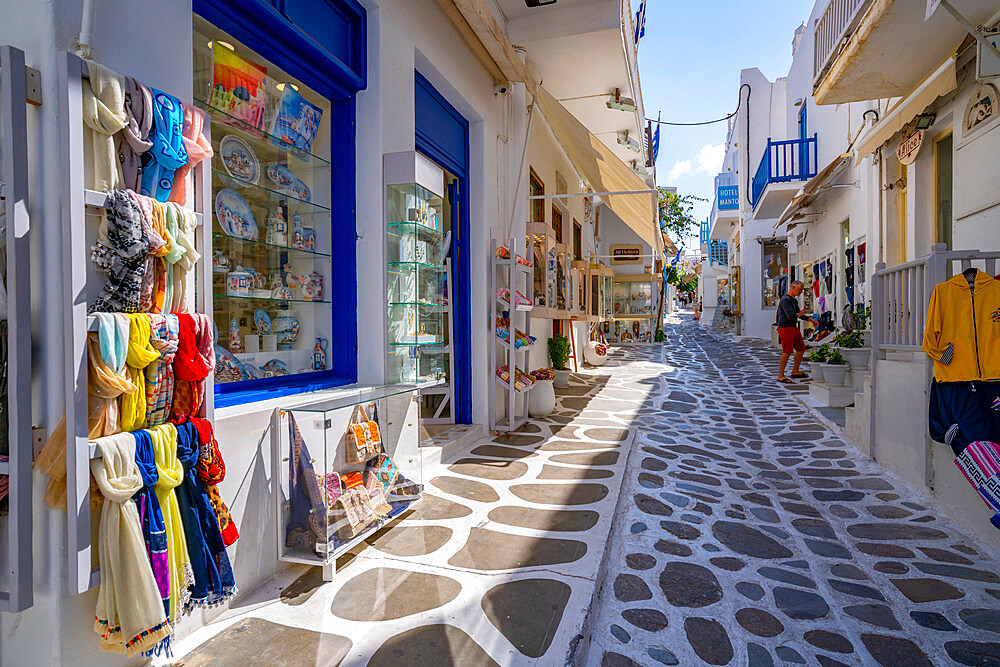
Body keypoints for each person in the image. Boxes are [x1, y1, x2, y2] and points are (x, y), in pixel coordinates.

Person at [776, 280, 812, 383]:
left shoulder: (793, 300)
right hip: (785, 327)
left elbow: (797, 313)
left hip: (793, 327)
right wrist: (801, 313)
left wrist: (809, 319)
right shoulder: (786, 300)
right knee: (787, 351)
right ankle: (781, 375)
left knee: (801, 349)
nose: (801, 292)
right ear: (793, 287)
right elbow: (791, 316)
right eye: (800, 289)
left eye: (802, 289)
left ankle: (795, 370)